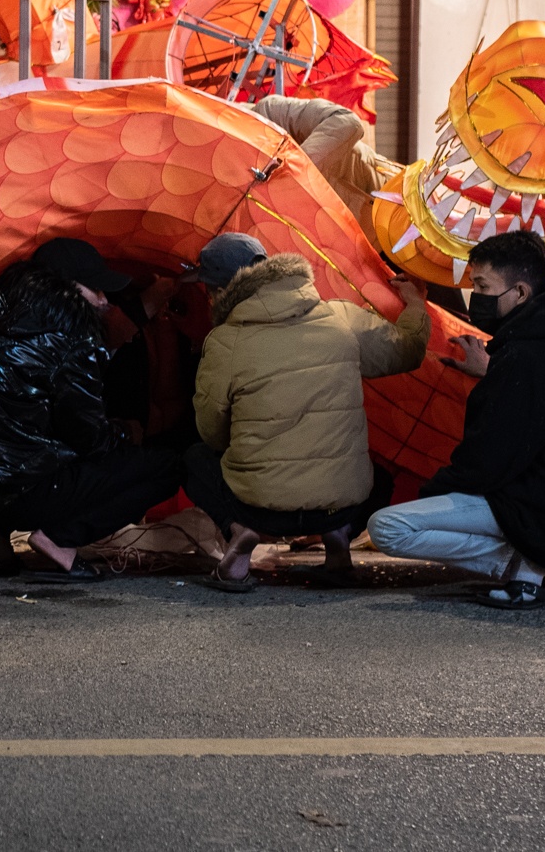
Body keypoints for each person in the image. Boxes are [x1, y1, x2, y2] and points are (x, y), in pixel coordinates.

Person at [365, 229, 545, 610]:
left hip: (542, 513)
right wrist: (494, 373)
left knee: (387, 527)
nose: (476, 298)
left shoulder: (526, 357)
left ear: (520, 292)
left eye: (483, 286)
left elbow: (488, 461)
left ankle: (529, 567)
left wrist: (433, 490)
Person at [184, 232, 430, 592]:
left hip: (257, 509)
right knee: (380, 476)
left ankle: (240, 532)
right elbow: (408, 351)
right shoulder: (342, 318)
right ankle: (338, 539)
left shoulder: (224, 341)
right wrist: (416, 305)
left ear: (218, 292)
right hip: (341, 506)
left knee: (194, 459)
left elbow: (211, 433)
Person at [0, 237, 183, 581]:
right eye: (95, 289)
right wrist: (125, 432)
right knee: (168, 468)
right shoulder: (71, 337)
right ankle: (61, 541)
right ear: (66, 287)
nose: (104, 301)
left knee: (15, 453)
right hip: (25, 491)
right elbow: (87, 436)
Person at [251, 95, 399, 238]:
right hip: (363, 248)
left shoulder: (267, 114)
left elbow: (347, 122)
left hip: (395, 196)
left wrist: (292, 176)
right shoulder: (238, 198)